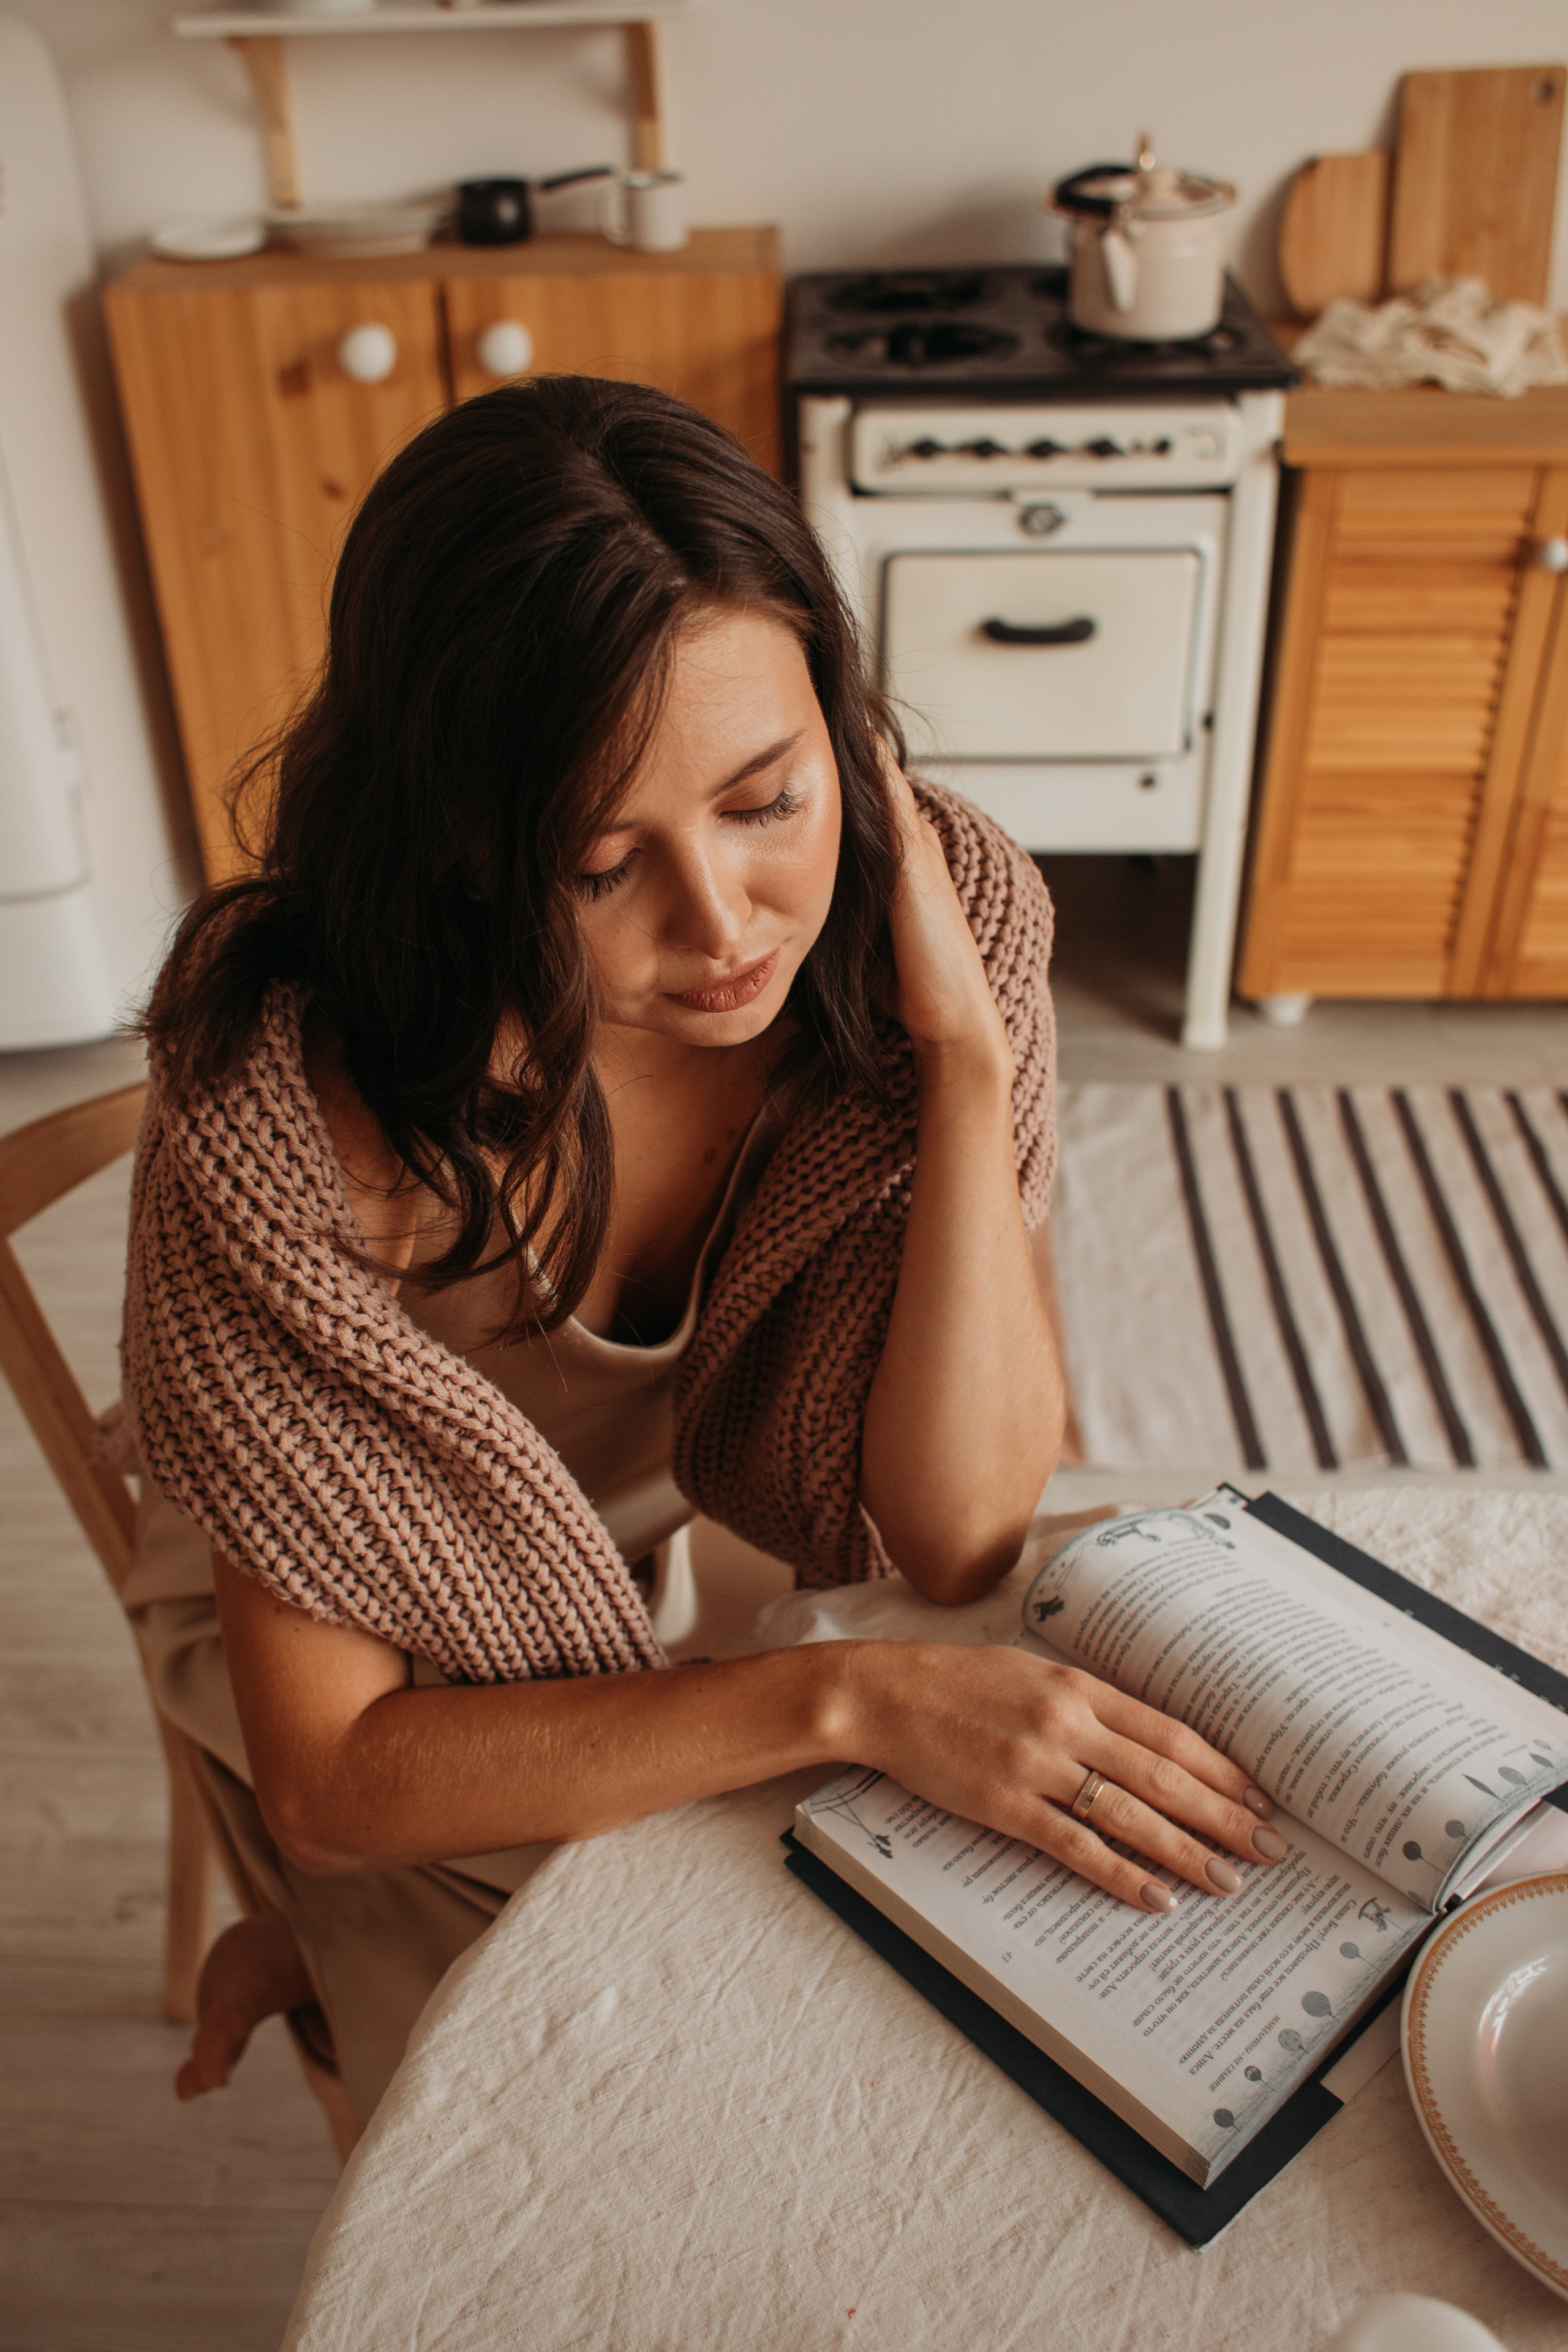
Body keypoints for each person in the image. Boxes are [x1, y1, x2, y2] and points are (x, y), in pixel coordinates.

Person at [120, 377, 1284, 2122]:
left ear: (848, 730)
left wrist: (967, 1067)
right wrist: (832, 1701)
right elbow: (341, 1775)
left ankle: (347, 1942)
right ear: (459, 851)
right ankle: (324, 1952)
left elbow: (959, 1529)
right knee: (708, 2028)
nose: (727, 926)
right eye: (602, 866)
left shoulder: (922, 938)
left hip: (659, 1545)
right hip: (345, 1605)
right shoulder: (296, 1145)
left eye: (769, 798)